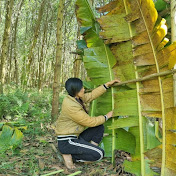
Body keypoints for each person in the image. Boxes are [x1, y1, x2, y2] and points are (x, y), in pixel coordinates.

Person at [52, 78, 120, 169]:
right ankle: (72, 156)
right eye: (81, 88)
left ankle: (87, 150)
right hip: (67, 141)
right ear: (75, 91)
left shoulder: (75, 98)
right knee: (99, 154)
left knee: (99, 127)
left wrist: (106, 85)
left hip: (75, 136)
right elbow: (90, 122)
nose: (83, 89)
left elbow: (91, 95)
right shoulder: (70, 106)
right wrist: (107, 116)